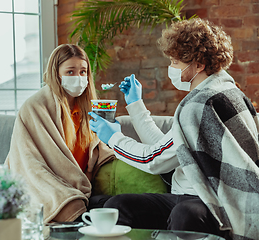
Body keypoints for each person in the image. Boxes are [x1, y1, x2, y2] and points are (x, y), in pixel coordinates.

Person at [89, 18, 259, 239]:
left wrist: (113, 138)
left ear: (199, 65)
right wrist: (135, 105)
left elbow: (153, 161)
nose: (171, 69)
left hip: (213, 199)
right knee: (119, 204)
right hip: (191, 194)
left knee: (184, 213)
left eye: (175, 63)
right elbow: (168, 148)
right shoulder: (226, 92)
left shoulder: (199, 105)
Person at [4, 44, 114, 223]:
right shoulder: (35, 107)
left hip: (84, 189)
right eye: (70, 72)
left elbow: (96, 152)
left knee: (117, 206)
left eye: (82, 72)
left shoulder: (89, 110)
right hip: (49, 187)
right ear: (56, 74)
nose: (78, 78)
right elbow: (29, 162)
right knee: (71, 208)